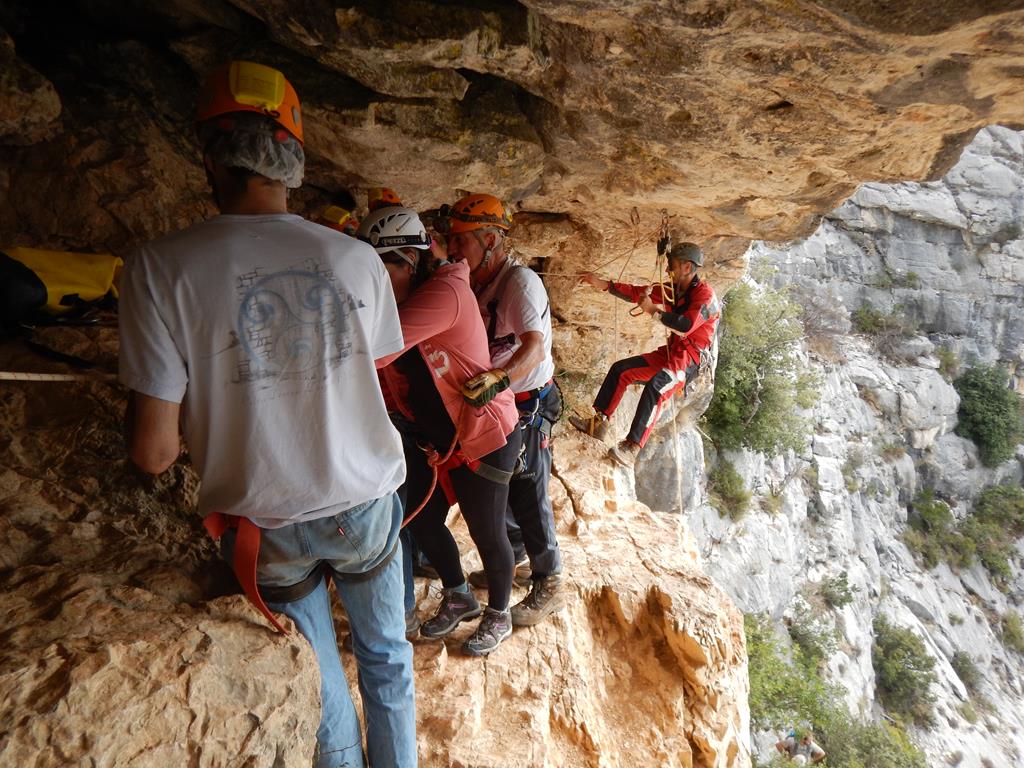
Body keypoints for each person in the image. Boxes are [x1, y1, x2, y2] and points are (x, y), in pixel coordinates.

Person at [118, 61, 416, 768]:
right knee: (386, 659)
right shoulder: (355, 259)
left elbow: (152, 454)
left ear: (208, 153)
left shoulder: (158, 268)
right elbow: (364, 375)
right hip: (363, 502)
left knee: (316, 687)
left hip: (263, 522)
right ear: (293, 155)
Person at [362, 205, 523, 657]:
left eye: (382, 270)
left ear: (409, 260)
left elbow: (378, 351)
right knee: (422, 515)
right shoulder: (408, 298)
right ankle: (459, 594)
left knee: (485, 528)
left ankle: (499, 614)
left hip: (485, 432)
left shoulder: (445, 290)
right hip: (440, 436)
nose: (376, 283)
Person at [442, 194, 567, 628]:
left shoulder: (520, 284)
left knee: (530, 486)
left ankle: (549, 581)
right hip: (502, 400)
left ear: (491, 239)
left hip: (527, 399)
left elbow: (533, 345)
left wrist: (502, 376)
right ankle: (514, 555)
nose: (453, 247)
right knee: (506, 480)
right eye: (450, 239)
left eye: (461, 240)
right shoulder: (475, 277)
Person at [570, 239, 720, 469]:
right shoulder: (673, 290)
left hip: (690, 359)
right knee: (622, 370)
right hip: (673, 352)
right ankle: (599, 423)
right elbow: (637, 293)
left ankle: (631, 447)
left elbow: (685, 325)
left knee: (657, 386)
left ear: (688, 267)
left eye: (674, 265)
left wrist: (652, 310)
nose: (669, 269)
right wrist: (599, 283)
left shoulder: (706, 297)